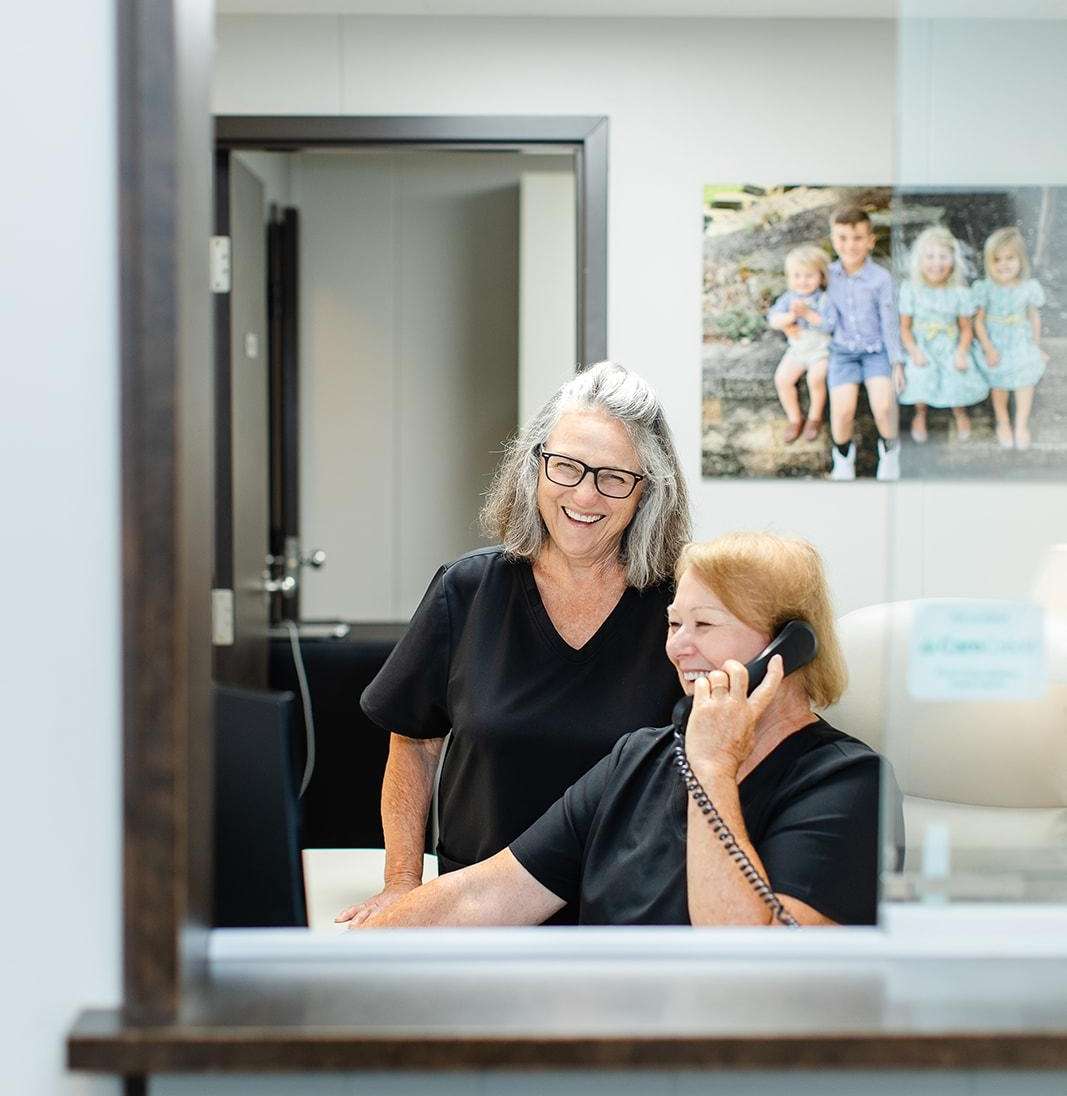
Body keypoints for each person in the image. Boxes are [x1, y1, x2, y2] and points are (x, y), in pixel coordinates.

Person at [350, 532, 898, 929]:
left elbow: (750, 962)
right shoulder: (639, 759)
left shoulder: (847, 783)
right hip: (603, 1031)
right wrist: (355, 959)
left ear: (788, 647)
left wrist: (712, 768)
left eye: (704, 625)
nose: (678, 647)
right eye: (674, 624)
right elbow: (483, 897)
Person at [336, 362, 691, 927]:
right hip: (476, 915)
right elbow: (415, 744)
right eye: (566, 466)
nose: (585, 494)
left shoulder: (681, 610)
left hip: (625, 922)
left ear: (647, 491)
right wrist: (402, 882)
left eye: (613, 477)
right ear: (535, 466)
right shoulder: (467, 590)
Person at [824, 206, 904, 482]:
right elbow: (806, 301)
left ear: (870, 241)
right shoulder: (827, 275)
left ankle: (890, 453)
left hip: (876, 352)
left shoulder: (881, 278)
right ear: (833, 240)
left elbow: (889, 323)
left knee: (884, 406)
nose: (850, 245)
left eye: (858, 238)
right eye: (842, 238)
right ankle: (843, 457)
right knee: (842, 409)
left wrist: (896, 362)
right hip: (842, 353)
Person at [896, 225, 989, 443]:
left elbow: (966, 329)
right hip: (922, 345)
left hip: (950, 345)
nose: (936, 264)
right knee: (920, 374)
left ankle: (960, 412)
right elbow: (905, 328)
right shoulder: (911, 289)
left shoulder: (959, 292)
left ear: (953, 261)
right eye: (930, 257)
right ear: (920, 261)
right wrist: (914, 351)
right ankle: (920, 413)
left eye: (943, 257)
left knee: (957, 374)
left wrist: (961, 352)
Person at [972, 226, 1050, 451]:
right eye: (997, 260)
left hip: (1020, 342)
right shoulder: (986, 288)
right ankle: (1003, 421)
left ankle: (1021, 425)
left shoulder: (1028, 288)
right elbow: (978, 321)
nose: (1003, 265)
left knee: (1025, 381)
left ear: (1020, 260)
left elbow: (1033, 317)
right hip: (996, 344)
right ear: (989, 262)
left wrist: (1035, 346)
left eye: (1010, 258)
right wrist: (988, 348)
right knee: (999, 382)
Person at [766, 244, 837, 444]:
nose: (803, 281)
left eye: (809, 276)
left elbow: (830, 325)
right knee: (782, 379)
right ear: (789, 278)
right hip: (797, 350)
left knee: (816, 378)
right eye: (797, 276)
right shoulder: (788, 299)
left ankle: (815, 418)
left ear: (821, 277)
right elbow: (773, 319)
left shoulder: (824, 299)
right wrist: (789, 318)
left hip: (821, 352)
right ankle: (795, 419)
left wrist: (807, 314)